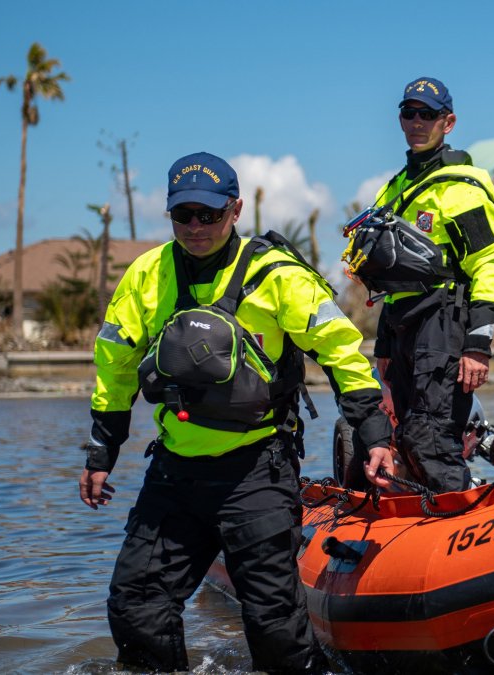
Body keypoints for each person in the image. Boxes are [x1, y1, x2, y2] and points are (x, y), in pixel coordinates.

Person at [78, 151, 395, 673]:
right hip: (175, 471)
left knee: (274, 625)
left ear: (235, 209)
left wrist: (374, 433)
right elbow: (114, 364)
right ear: (170, 214)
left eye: (209, 214)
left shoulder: (279, 274)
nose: (196, 227)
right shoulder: (146, 276)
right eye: (184, 216)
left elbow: (339, 350)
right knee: (136, 608)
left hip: (256, 470)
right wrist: (100, 451)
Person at [361, 76, 494, 493]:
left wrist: (478, 346)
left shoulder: (462, 186)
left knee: (431, 438)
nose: (417, 122)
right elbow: (390, 279)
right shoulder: (392, 189)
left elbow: (491, 261)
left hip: (443, 322)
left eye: (428, 115)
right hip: (402, 326)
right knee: (407, 435)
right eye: (409, 113)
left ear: (448, 122)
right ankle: (422, 524)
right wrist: (385, 346)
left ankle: (463, 529)